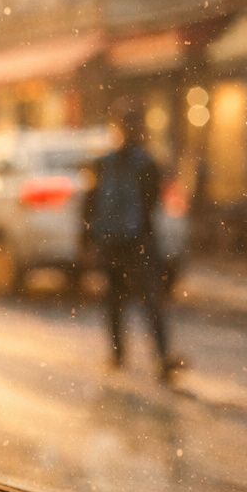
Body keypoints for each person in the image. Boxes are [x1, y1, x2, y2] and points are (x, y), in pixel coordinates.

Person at [81, 105, 182, 381]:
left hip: (117, 241)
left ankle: (120, 354)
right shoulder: (144, 163)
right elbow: (151, 204)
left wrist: (89, 239)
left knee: (118, 299)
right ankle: (156, 357)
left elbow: (89, 206)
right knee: (146, 301)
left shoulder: (105, 163)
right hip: (136, 241)